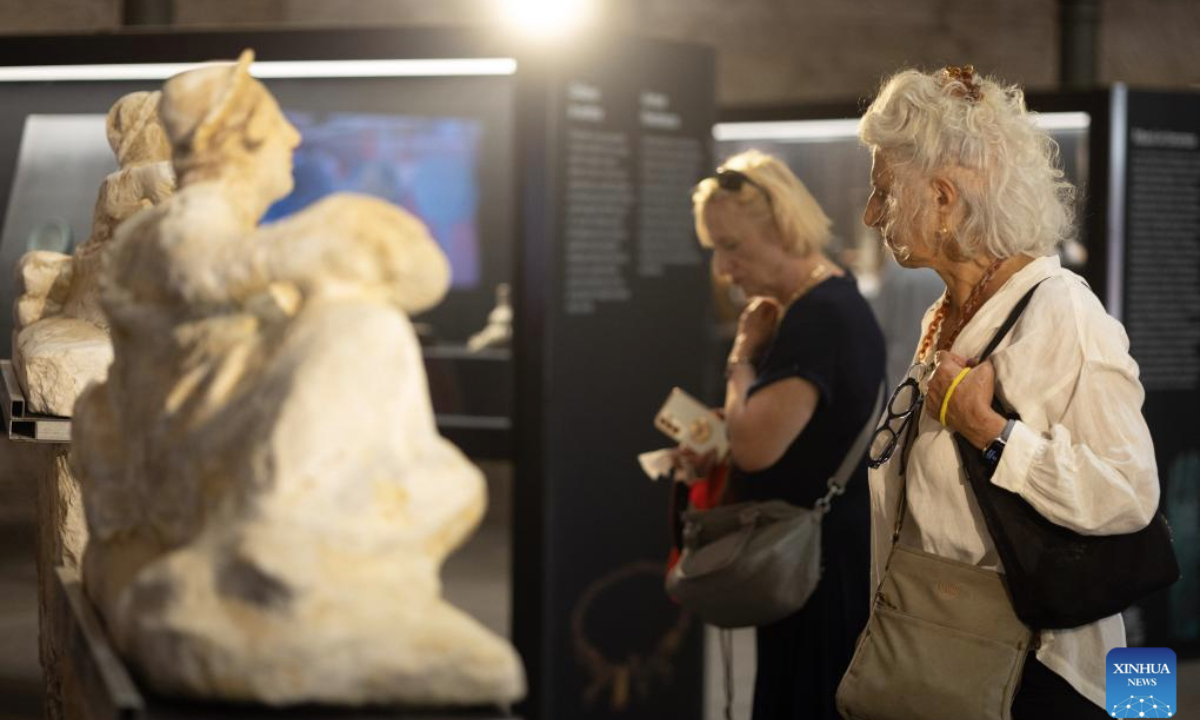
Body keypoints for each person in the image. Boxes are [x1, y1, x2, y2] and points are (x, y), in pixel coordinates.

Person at [859, 66, 1160, 717]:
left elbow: (1129, 493)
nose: (870, 213)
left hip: (1035, 678)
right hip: (945, 659)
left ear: (942, 198)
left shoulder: (1062, 314)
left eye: (884, 192)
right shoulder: (946, 315)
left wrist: (990, 434)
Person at [680, 150, 884, 720]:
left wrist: (742, 355)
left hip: (816, 567)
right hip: (816, 556)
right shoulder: (820, 304)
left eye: (732, 246)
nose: (723, 269)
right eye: (716, 249)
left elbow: (755, 445)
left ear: (780, 228)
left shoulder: (816, 316)